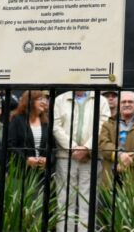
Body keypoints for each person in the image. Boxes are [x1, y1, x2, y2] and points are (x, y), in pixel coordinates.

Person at [52, 90, 110, 232]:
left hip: (91, 156)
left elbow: (103, 126)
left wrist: (87, 148)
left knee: (88, 201)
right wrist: (73, 148)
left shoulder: (101, 100)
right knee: (65, 200)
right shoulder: (60, 99)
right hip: (66, 156)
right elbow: (56, 127)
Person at [97, 91, 134, 185]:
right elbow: (103, 144)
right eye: (123, 102)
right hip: (111, 174)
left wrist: (127, 161)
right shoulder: (107, 124)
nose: (127, 104)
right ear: (118, 105)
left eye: (130, 102)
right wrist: (120, 155)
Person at [7, 90, 51, 173]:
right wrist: (26, 159)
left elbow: (52, 147)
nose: (44, 102)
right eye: (40, 99)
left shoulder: (46, 122)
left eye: (45, 99)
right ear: (30, 101)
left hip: (41, 172)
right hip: (21, 171)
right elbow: (10, 145)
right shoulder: (17, 119)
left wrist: (47, 159)